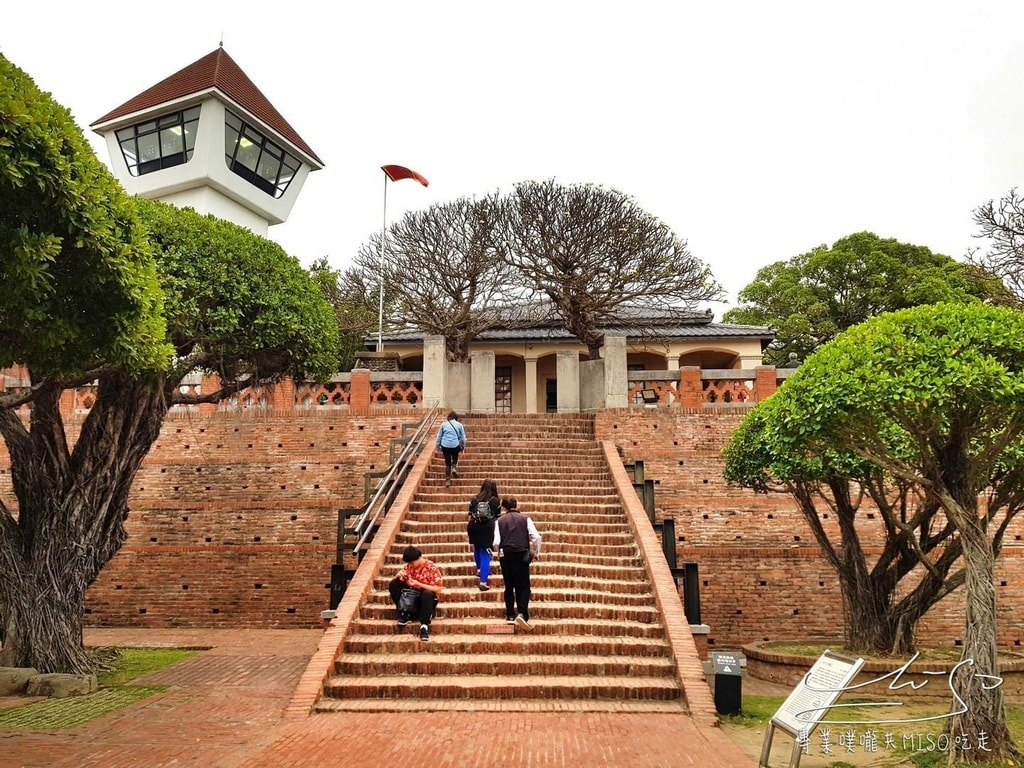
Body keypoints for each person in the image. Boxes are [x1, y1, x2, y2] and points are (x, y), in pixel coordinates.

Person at [494, 497, 542, 631]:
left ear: (504, 508)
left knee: (509, 585)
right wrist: (536, 552)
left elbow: (496, 542)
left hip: (506, 555)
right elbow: (536, 537)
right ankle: (522, 612)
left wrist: (499, 552)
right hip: (521, 554)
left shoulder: (500, 521)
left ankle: (509, 614)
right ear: (516, 505)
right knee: (523, 585)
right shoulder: (525, 519)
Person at [389, 545, 444, 642]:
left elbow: (438, 589)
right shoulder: (409, 567)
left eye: (412, 562)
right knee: (394, 584)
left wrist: (419, 584)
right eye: (408, 563)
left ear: (418, 558)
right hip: (410, 597)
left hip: (426, 599)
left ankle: (424, 625)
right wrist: (398, 576)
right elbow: (401, 579)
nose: (410, 565)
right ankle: (404, 612)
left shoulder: (431, 567)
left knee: (427, 594)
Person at [467, 479, 501, 592]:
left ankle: (479, 570)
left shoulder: (474, 499)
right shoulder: (495, 501)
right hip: (488, 528)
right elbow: (498, 518)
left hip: (473, 525)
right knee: (486, 553)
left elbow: (469, 516)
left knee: (477, 548)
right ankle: (483, 582)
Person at [435, 411, 466, 487]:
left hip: (445, 445)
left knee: (447, 463)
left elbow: (439, 436)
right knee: (455, 455)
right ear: (456, 418)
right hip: (455, 445)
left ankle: (448, 480)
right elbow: (463, 438)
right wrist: (463, 447)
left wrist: (437, 446)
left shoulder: (443, 425)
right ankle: (454, 467)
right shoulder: (459, 425)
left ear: (448, 418)